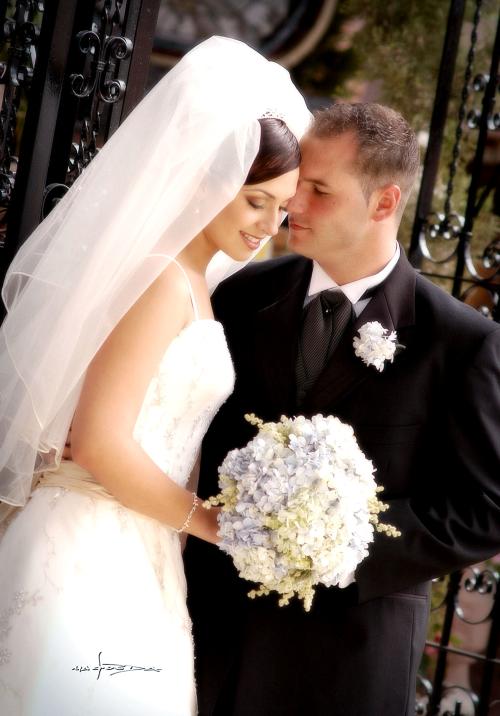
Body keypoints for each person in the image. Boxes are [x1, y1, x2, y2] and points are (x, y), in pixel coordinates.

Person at [0, 36, 310, 715]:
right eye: (255, 200)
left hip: (141, 547)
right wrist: (218, 527)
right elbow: (102, 441)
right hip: (86, 543)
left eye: (280, 209)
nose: (267, 225)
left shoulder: (197, 282)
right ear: (205, 178)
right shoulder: (159, 280)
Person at [183, 102, 500, 716]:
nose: (291, 204)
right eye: (297, 183)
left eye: (318, 190)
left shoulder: (461, 343)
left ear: (383, 202)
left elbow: (485, 509)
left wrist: (342, 546)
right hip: (209, 627)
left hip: (349, 657)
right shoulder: (240, 294)